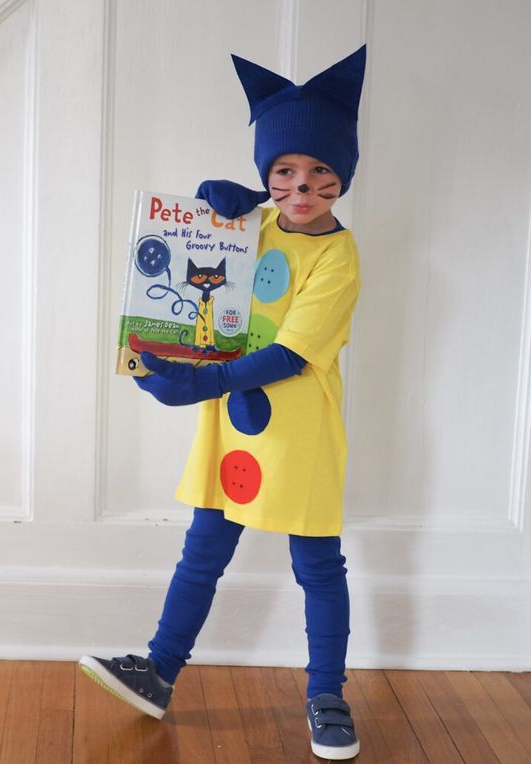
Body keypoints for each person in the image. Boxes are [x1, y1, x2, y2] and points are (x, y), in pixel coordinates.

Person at [80, 44, 366, 761]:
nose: (301, 188)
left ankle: (327, 695)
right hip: (233, 431)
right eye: (283, 173)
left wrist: (197, 384)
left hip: (297, 430)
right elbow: (202, 274)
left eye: (319, 173)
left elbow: (290, 354)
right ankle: (159, 669)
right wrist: (219, 213)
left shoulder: (338, 256)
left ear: (343, 177)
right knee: (201, 554)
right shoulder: (259, 225)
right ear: (267, 176)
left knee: (318, 565)